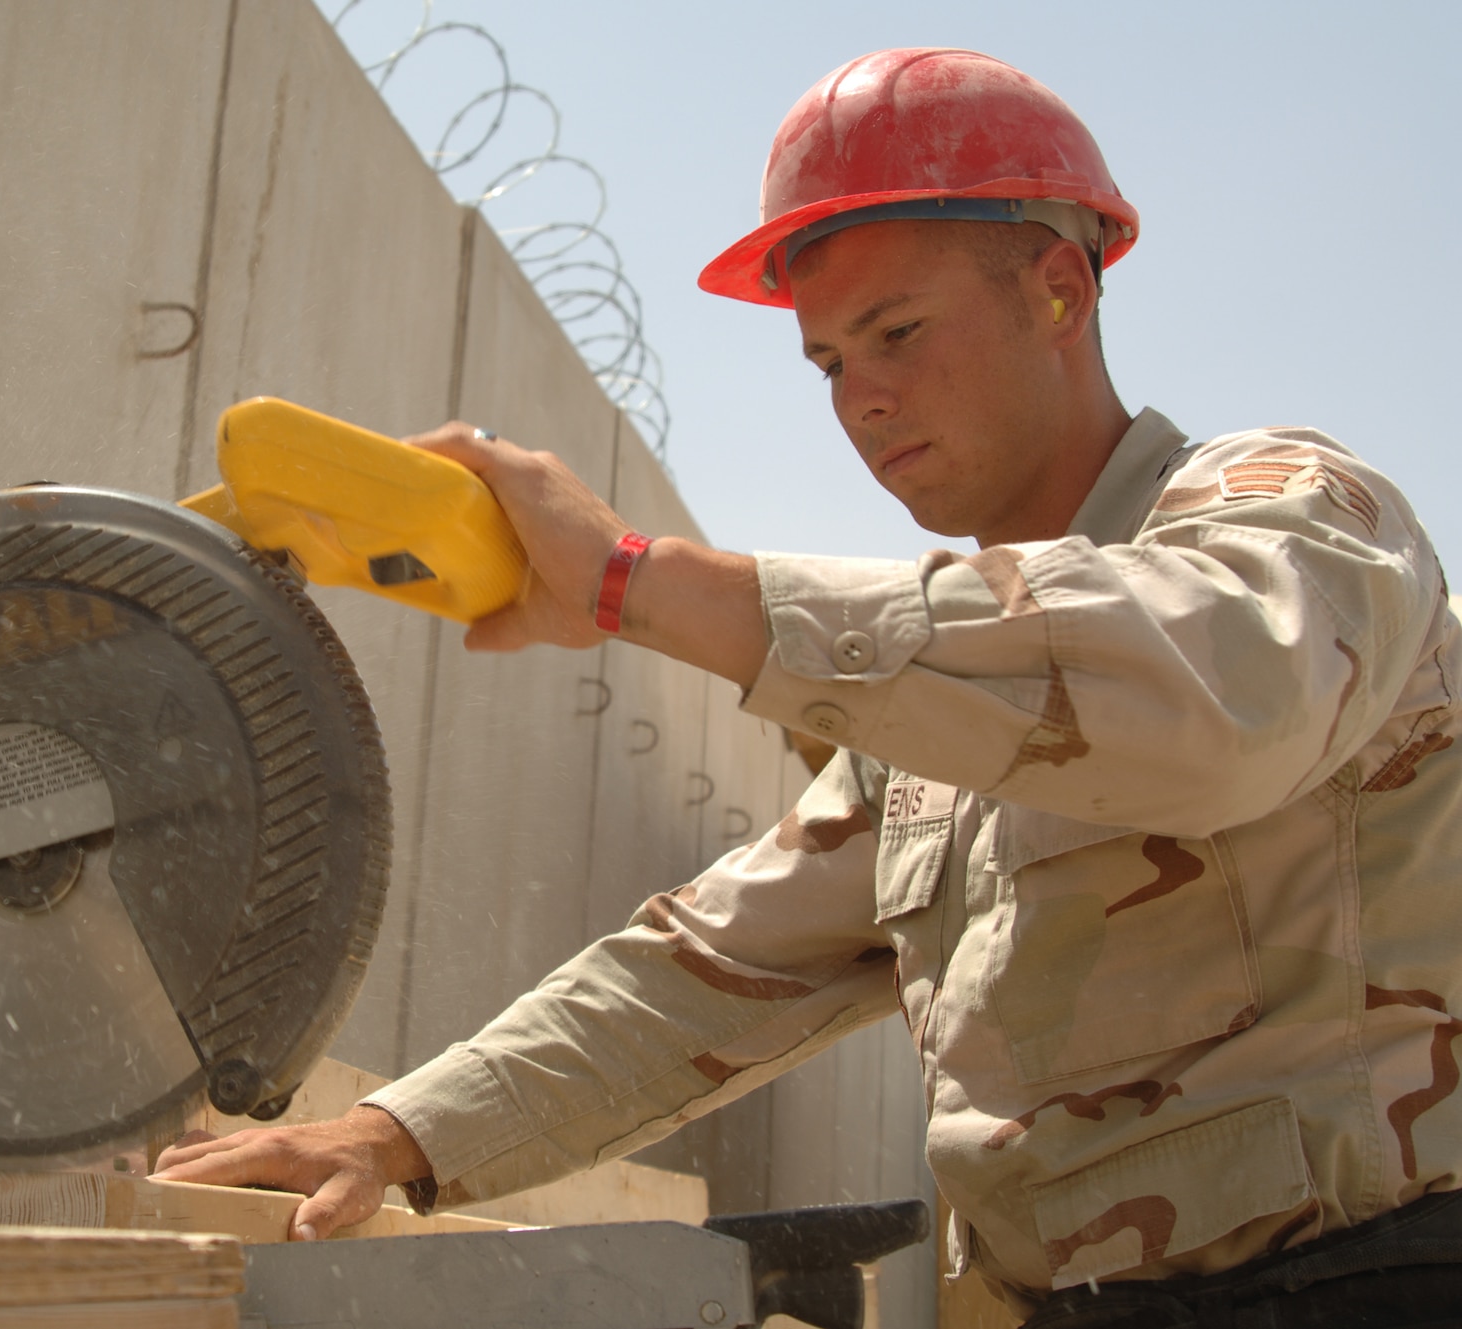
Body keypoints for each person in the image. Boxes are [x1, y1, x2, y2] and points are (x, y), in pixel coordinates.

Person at [154, 47, 1462, 1325]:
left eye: (896, 332)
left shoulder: (1296, 515)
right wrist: (394, 1135)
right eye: (831, 362)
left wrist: (631, 582)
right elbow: (703, 969)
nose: (864, 401)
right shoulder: (935, 728)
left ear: (1060, 289)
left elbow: (1218, 699)